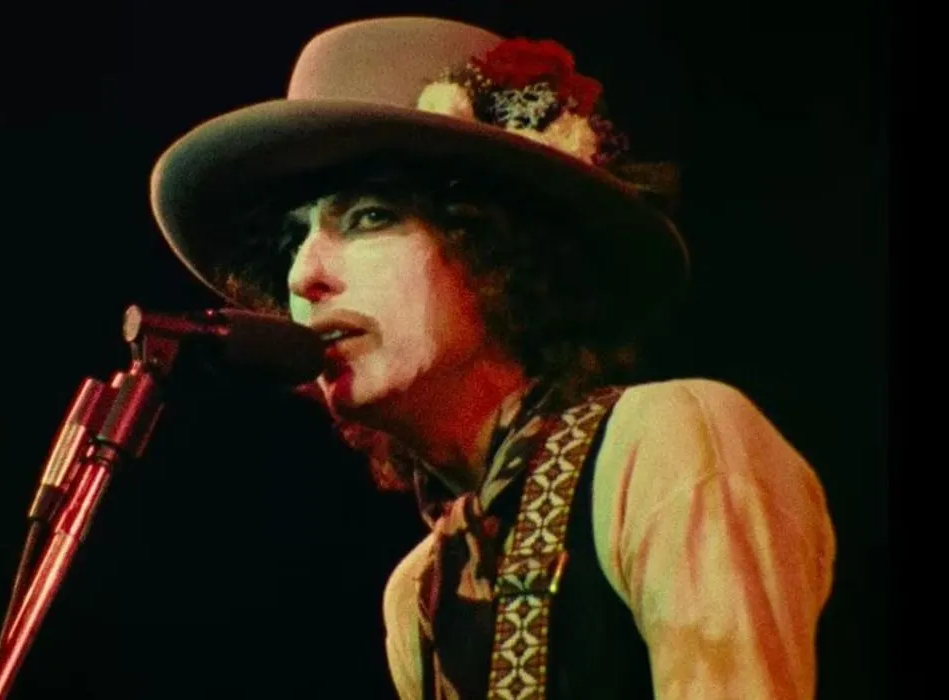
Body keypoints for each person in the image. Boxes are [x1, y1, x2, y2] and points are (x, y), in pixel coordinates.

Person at [147, 16, 836, 700]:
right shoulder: (419, 590)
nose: (303, 279)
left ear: (497, 253)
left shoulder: (670, 440)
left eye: (369, 217)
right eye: (293, 242)